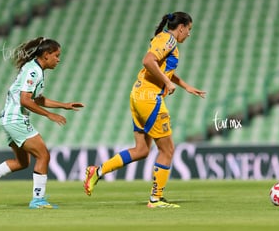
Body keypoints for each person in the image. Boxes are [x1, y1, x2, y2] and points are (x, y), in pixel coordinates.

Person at [83, 12, 206, 208]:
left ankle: (97, 171)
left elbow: (162, 68)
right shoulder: (169, 40)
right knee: (168, 149)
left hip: (138, 94)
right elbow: (148, 61)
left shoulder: (162, 38)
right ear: (181, 27)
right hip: (150, 99)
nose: (189, 34)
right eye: (189, 29)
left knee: (141, 150)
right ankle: (155, 199)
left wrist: (185, 85)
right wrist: (166, 82)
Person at [0, 37, 84, 208]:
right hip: (16, 118)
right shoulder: (34, 71)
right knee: (43, 155)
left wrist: (64, 105)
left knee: (22, 162)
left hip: (9, 118)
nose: (58, 59)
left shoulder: (35, 69)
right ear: (46, 55)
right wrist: (49, 115)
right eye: (56, 55)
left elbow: (37, 99)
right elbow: (25, 100)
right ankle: (38, 200)